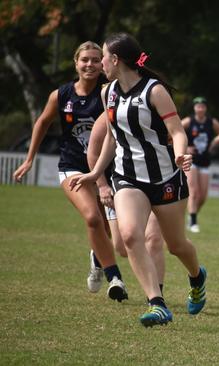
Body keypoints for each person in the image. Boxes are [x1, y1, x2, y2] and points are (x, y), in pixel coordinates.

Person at [68, 32, 207, 327]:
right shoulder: (108, 93)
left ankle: (197, 276)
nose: (101, 62)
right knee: (131, 235)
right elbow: (114, 139)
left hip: (166, 178)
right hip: (128, 177)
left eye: (103, 56)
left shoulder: (154, 91)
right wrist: (97, 173)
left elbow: (177, 131)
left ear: (115, 60)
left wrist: (181, 155)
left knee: (176, 245)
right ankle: (156, 303)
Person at [13, 41, 128, 302]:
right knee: (92, 218)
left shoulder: (110, 93)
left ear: (104, 64)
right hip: (72, 168)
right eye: (84, 59)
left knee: (111, 234)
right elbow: (42, 122)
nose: (90, 64)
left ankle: (96, 257)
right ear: (75, 63)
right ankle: (115, 278)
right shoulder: (61, 95)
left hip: (106, 170)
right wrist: (29, 159)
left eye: (96, 59)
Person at [87, 114, 166, 295]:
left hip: (155, 183)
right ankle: (98, 255)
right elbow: (93, 152)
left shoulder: (158, 103)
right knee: (123, 247)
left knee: (153, 239)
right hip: (121, 185)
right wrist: (103, 185)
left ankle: (156, 299)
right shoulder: (112, 110)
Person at [181, 96, 219, 233]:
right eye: (198, 106)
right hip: (191, 161)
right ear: (194, 108)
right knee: (194, 191)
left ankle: (192, 215)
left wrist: (212, 144)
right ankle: (194, 222)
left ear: (205, 108)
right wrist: (185, 148)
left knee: (202, 196)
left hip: (205, 161)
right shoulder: (189, 121)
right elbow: (174, 132)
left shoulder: (211, 122)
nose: (200, 108)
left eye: (202, 106)